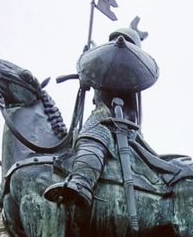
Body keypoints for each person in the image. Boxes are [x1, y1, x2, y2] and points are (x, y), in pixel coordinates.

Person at [44, 24, 158, 207]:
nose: (116, 43)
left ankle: (82, 182)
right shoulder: (108, 62)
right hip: (104, 113)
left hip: (114, 119)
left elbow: (111, 85)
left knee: (93, 135)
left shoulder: (130, 69)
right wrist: (88, 70)